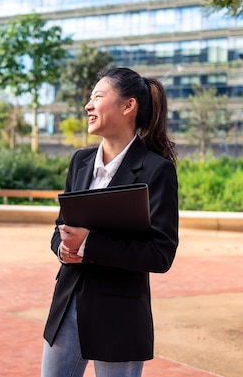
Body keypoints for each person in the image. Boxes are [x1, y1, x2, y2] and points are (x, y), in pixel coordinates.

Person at [41, 67, 179, 377]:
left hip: (120, 316)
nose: (88, 106)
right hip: (67, 308)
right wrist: (64, 248)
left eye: (98, 97)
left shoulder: (157, 171)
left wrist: (89, 245)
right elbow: (60, 227)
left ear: (128, 106)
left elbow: (161, 253)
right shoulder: (80, 161)